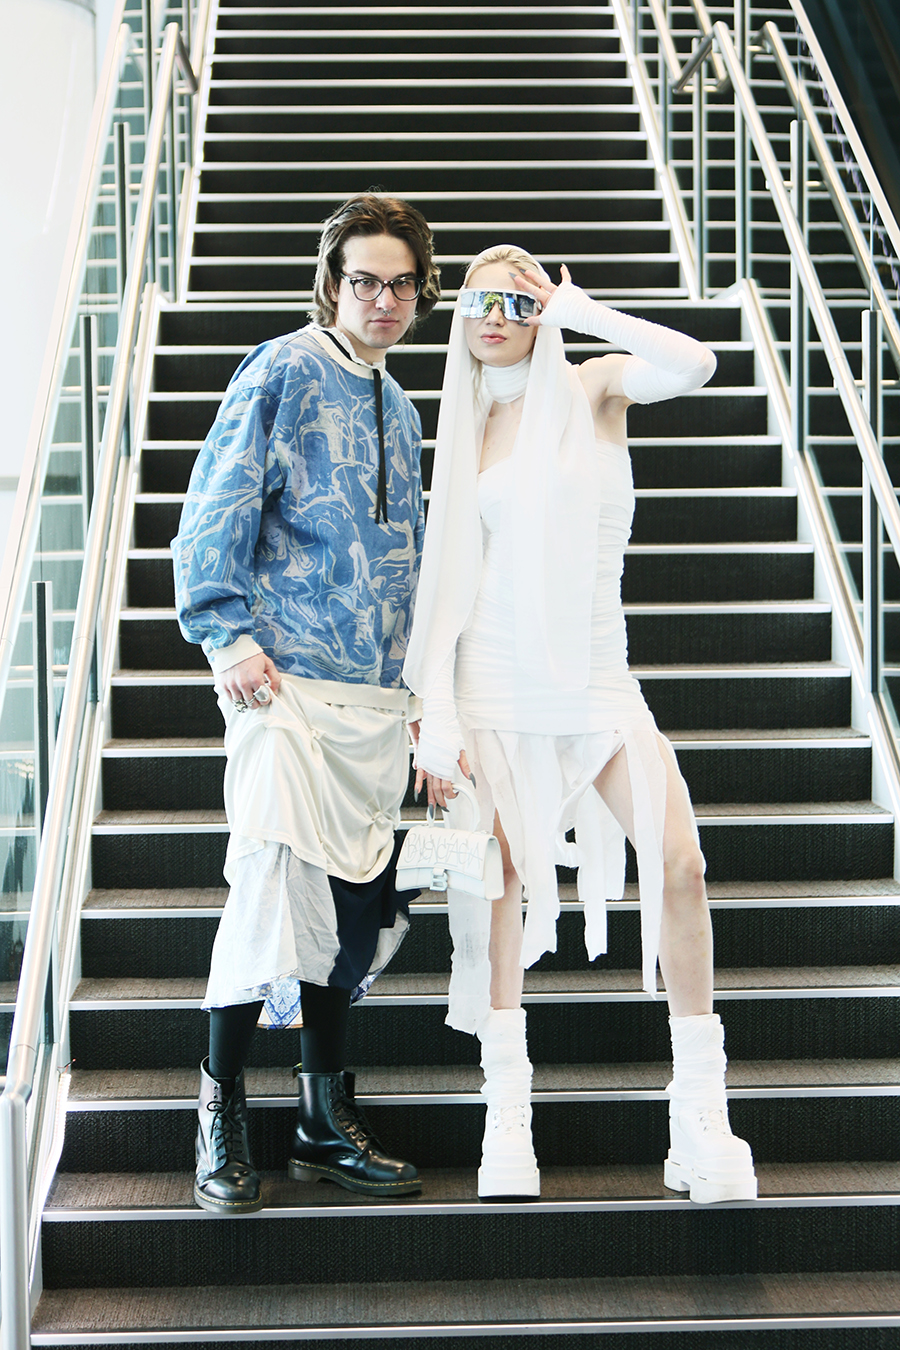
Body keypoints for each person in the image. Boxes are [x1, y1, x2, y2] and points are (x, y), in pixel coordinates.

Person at [403, 244, 757, 1206]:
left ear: (544, 311)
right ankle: (506, 1111)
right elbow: (448, 581)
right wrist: (439, 713)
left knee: (679, 863)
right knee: (501, 885)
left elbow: (695, 363)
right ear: (461, 316)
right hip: (494, 678)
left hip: (598, 677)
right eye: (481, 299)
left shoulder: (593, 386)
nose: (498, 315)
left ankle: (700, 1111)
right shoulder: (466, 424)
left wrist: (580, 310)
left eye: (518, 300)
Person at [171, 193, 441, 1214]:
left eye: (402, 283)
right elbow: (215, 505)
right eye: (365, 280)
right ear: (332, 283)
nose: (384, 300)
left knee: (344, 913)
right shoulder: (281, 369)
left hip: (372, 701)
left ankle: (324, 1122)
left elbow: (409, 564)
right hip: (280, 685)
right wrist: (225, 632)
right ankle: (220, 1114)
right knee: (268, 898)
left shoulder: (401, 407)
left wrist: (420, 697)